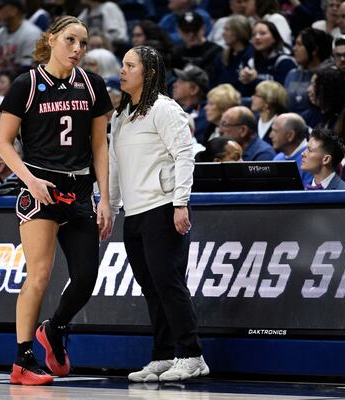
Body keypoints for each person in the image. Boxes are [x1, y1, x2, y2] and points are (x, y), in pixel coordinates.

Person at [0, 16, 113, 385]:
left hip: (79, 191)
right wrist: (30, 181)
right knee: (40, 274)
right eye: (69, 40)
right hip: (40, 191)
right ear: (51, 39)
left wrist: (105, 197)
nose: (77, 49)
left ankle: (56, 328)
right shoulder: (26, 84)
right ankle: (23, 359)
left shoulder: (92, 86)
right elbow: (3, 144)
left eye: (82, 42)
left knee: (86, 278)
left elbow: (99, 145)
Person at [109, 45, 208, 382]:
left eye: (130, 65)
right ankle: (164, 356)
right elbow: (113, 167)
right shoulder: (120, 116)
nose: (122, 71)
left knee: (169, 284)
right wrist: (108, 208)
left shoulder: (165, 110)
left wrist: (180, 203)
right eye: (122, 65)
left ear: (148, 73)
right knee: (150, 287)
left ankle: (192, 355)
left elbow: (185, 155)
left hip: (164, 208)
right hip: (133, 214)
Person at [238, 21, 296, 97]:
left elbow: (282, 93)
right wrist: (244, 79)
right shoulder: (251, 61)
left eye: (262, 33)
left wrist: (254, 80)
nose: (257, 37)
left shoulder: (285, 62)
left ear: (274, 38)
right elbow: (245, 93)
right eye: (254, 35)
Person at [284, 28, 333, 114]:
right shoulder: (292, 74)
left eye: (299, 44)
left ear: (314, 50)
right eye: (295, 44)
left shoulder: (329, 77)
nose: (294, 49)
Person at [270, 112, 313, 184]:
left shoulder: (311, 159)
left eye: (275, 131)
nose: (270, 135)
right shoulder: (278, 158)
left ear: (290, 135)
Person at [250, 80, 288, 144]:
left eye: (257, 95)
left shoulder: (282, 124)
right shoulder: (251, 121)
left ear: (268, 101)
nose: (252, 97)